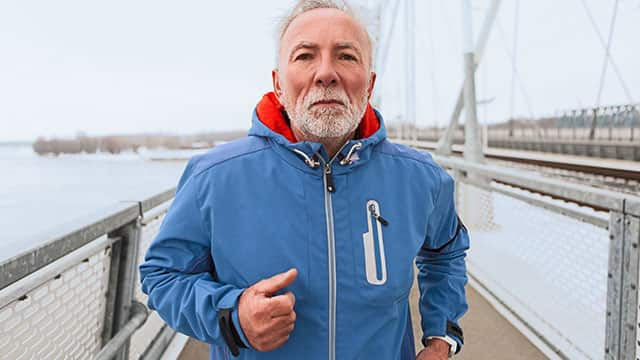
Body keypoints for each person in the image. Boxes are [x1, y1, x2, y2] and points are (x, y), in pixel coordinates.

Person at [139, 1, 469, 359]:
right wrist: (232, 317)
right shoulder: (214, 178)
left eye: (346, 56)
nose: (326, 73)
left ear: (369, 84)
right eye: (305, 56)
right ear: (278, 84)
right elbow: (162, 276)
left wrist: (442, 339)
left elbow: (446, 252)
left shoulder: (420, 178)